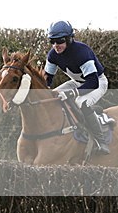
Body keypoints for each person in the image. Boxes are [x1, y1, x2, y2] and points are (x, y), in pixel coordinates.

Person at [44, 20, 111, 154]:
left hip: (97, 83)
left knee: (81, 103)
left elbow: (93, 82)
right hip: (77, 82)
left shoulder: (82, 52)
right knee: (52, 97)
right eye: (52, 41)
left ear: (69, 39)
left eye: (60, 40)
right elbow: (48, 79)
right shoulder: (52, 55)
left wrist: (71, 93)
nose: (56, 45)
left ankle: (101, 141)